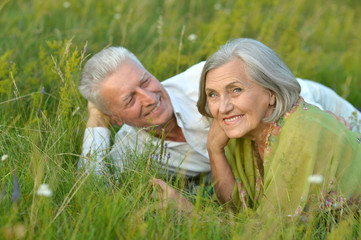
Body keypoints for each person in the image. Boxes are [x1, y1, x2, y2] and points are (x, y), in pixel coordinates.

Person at [78, 46, 361, 183]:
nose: (150, 97)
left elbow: (302, 118)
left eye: (145, 81)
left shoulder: (207, 84)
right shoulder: (132, 148)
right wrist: (96, 123)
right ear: (115, 117)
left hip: (322, 114)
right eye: (130, 99)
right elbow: (92, 187)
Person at [196, 38, 361, 217]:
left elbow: (270, 229)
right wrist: (214, 150)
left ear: (272, 93)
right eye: (213, 94)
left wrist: (190, 215)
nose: (223, 107)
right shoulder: (244, 131)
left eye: (236, 90)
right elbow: (235, 209)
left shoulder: (301, 131)